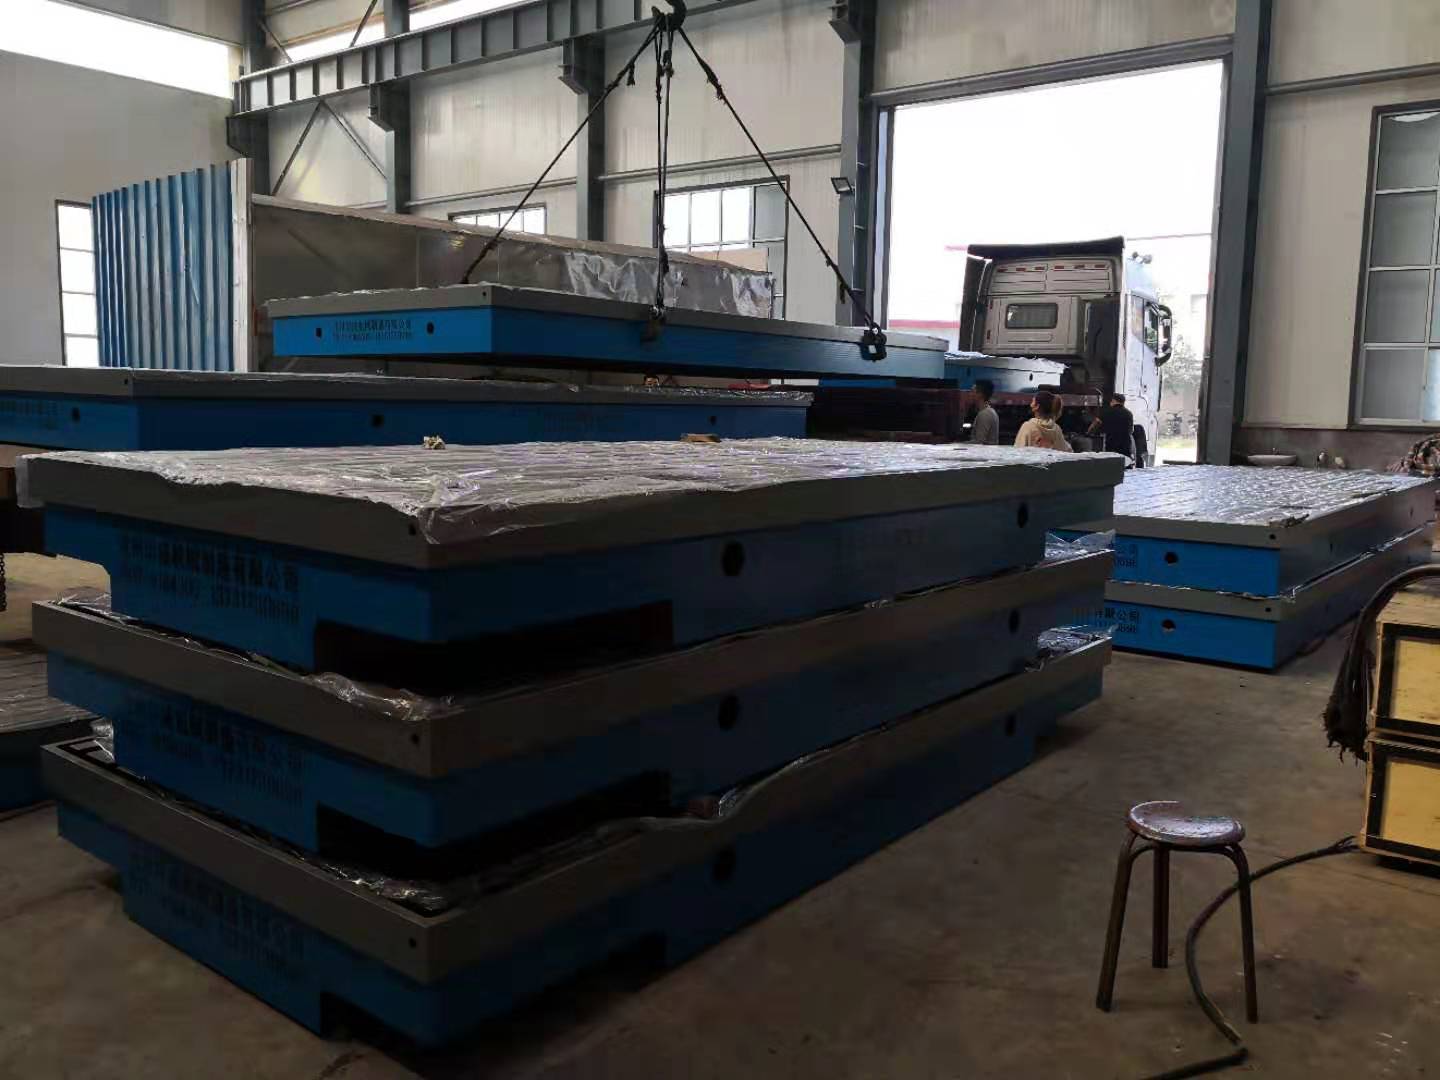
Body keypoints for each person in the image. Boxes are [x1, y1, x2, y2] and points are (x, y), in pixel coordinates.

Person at [1088, 393, 1136, 464]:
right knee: (1124, 465)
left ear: (1113, 401)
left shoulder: (1106, 412)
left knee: (1111, 464)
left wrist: (1089, 432)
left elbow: (1094, 425)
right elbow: (1131, 430)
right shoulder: (1129, 413)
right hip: (1125, 446)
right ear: (1123, 402)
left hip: (1111, 445)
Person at [970, 379, 1000, 445]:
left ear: (980, 394)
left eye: (972, 391)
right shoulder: (989, 411)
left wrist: (958, 445)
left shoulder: (985, 414)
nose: (970, 394)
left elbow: (979, 442)